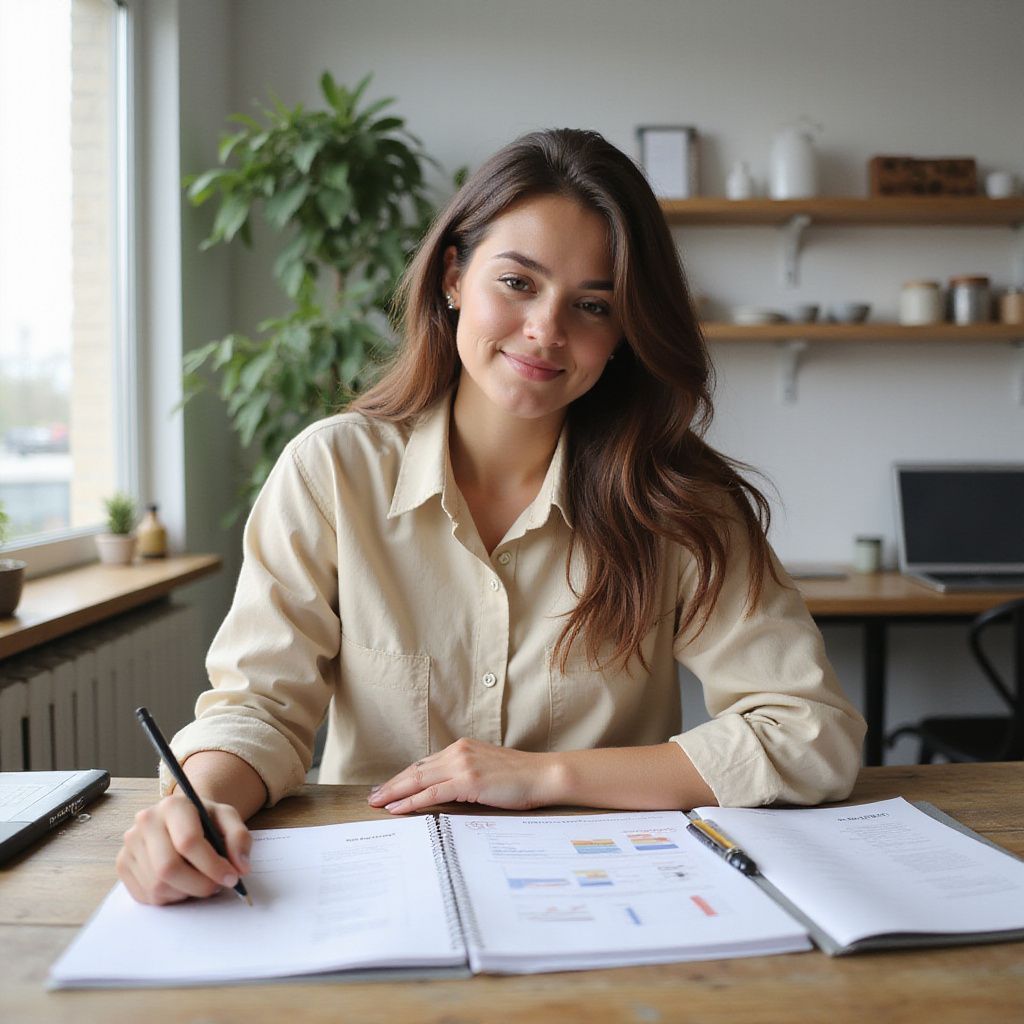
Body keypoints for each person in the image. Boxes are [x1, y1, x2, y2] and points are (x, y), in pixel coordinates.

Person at [116, 128, 865, 905]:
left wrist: (548, 777)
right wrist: (197, 807)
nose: (547, 329)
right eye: (518, 283)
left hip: (614, 892)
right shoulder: (332, 471)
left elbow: (810, 730)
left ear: (624, 334)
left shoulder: (679, 502)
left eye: (593, 304)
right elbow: (259, 708)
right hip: (376, 891)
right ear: (452, 276)